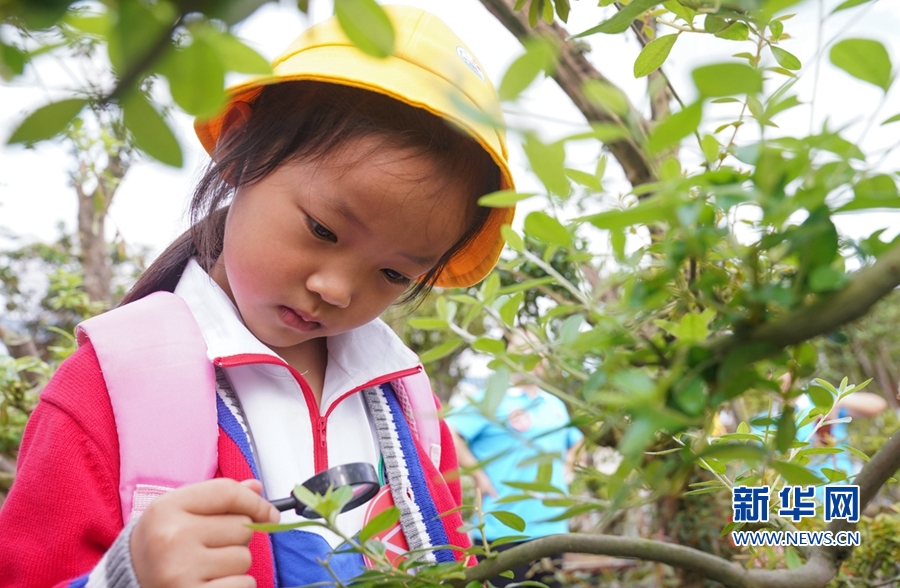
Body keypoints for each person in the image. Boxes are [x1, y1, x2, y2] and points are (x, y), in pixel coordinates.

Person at [0, 6, 516, 588]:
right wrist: (126, 577)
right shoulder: (109, 389)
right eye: (322, 230)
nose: (336, 289)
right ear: (239, 149)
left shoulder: (407, 404)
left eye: (395, 275)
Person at [446, 339, 583, 588]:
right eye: (518, 352)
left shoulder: (555, 404)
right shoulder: (491, 399)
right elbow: (449, 431)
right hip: (502, 531)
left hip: (553, 528)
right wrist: (478, 475)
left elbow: (577, 440)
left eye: (533, 352)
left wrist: (569, 464)